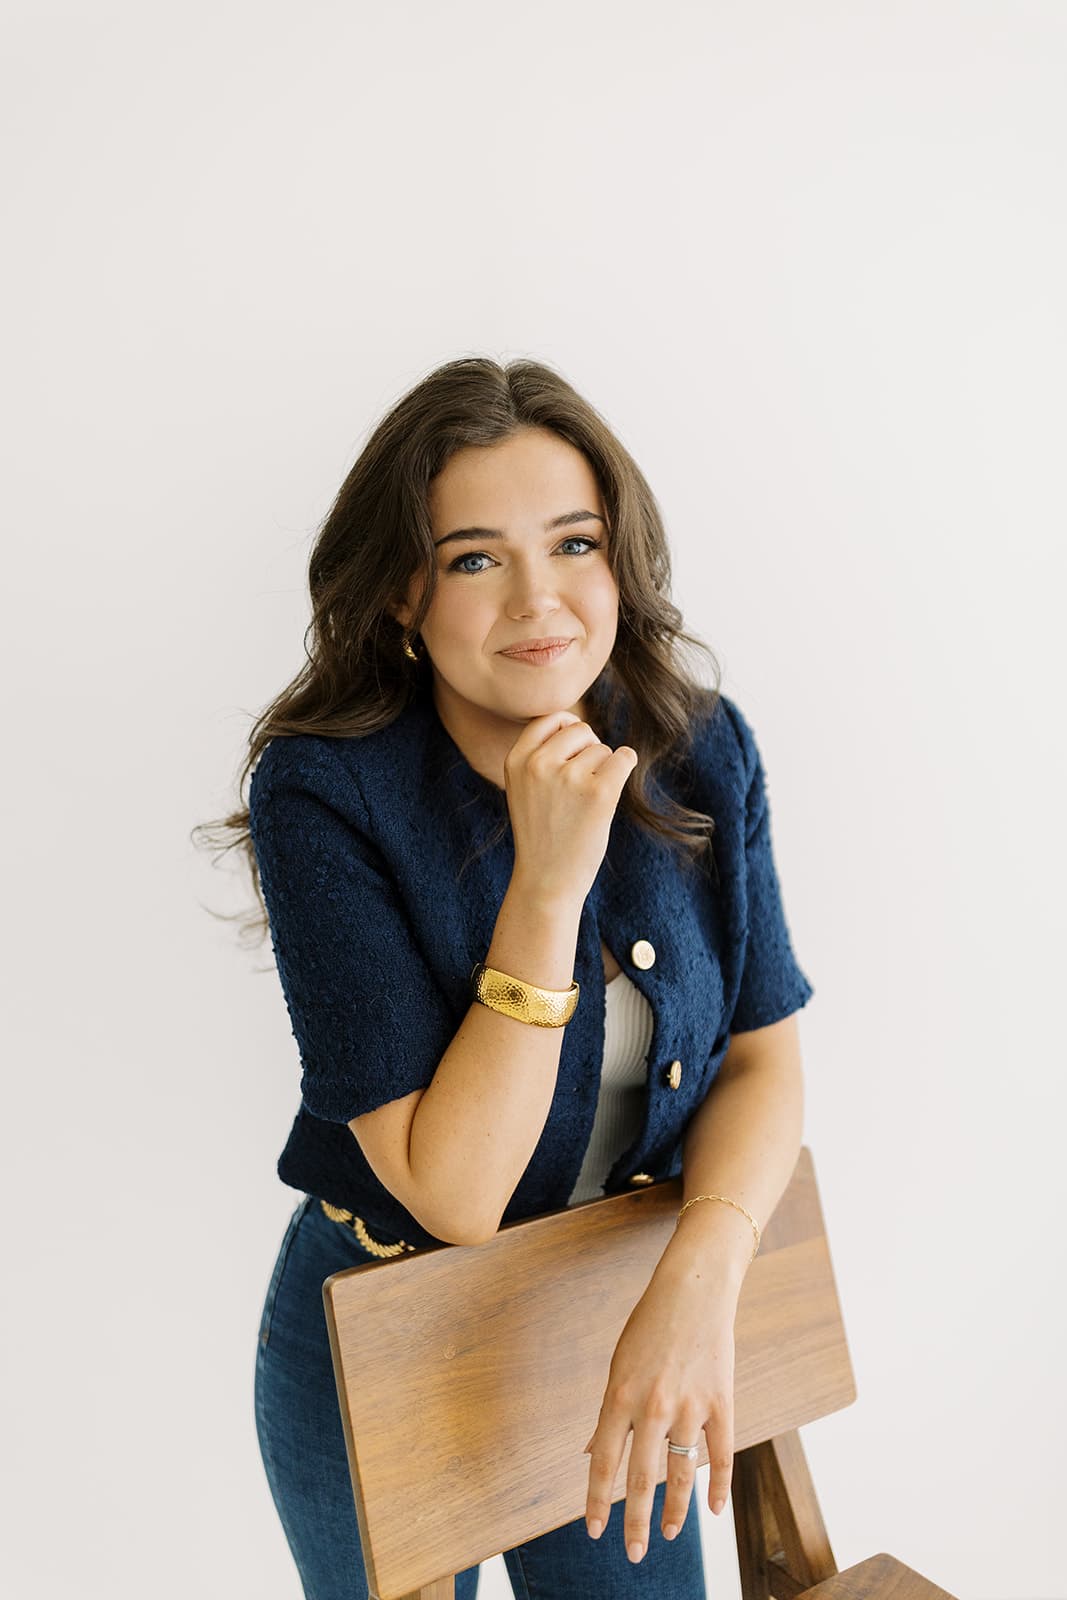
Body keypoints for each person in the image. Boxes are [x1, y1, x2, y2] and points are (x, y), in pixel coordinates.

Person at [195, 356, 814, 1599]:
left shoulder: (699, 747)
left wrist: (698, 1275)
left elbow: (762, 1055)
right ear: (399, 600)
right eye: (475, 557)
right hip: (382, 1328)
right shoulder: (325, 791)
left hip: (609, 1319)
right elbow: (456, 1193)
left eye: (573, 543)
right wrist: (546, 886)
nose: (541, 599)